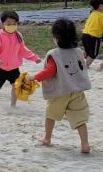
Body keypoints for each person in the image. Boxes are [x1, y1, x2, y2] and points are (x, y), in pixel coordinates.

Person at [27, 18, 91, 154]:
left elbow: (49, 72)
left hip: (60, 92)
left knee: (50, 115)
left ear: (56, 37)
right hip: (77, 91)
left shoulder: (54, 54)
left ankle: (47, 138)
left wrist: (34, 77)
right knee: (79, 119)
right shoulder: (78, 51)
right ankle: (85, 144)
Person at [0, 11, 41, 106]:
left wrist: (34, 57)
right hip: (0, 67)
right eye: (9, 24)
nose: (12, 26)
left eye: (14, 24)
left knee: (16, 86)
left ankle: (13, 104)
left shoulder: (18, 36)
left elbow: (23, 50)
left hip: (14, 68)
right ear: (2, 23)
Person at [82, 0, 103, 67]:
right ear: (101, 6)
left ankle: (80, 61)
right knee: (93, 54)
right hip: (93, 37)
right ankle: (85, 67)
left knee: (87, 52)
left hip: (84, 35)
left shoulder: (92, 14)